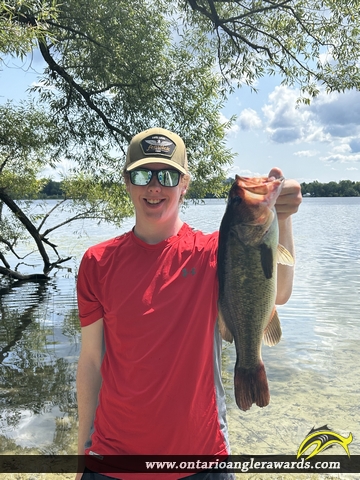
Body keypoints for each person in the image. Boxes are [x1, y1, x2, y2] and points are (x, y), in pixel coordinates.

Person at [75, 127, 302, 480]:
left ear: (185, 184)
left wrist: (283, 218)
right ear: (126, 182)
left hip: (201, 460)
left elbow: (280, 292)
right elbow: (90, 362)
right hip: (113, 460)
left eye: (167, 175)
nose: (154, 186)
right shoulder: (97, 262)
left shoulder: (213, 252)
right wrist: (81, 455)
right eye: (142, 174)